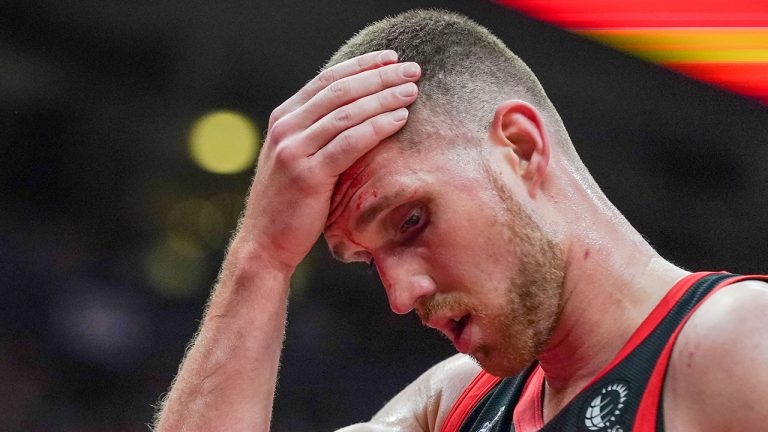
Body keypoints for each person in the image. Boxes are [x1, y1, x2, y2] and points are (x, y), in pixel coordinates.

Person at [153, 9, 768, 432]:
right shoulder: (451, 405)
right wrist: (261, 257)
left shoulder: (737, 343)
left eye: (411, 221)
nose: (400, 295)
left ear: (521, 149)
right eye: (369, 260)